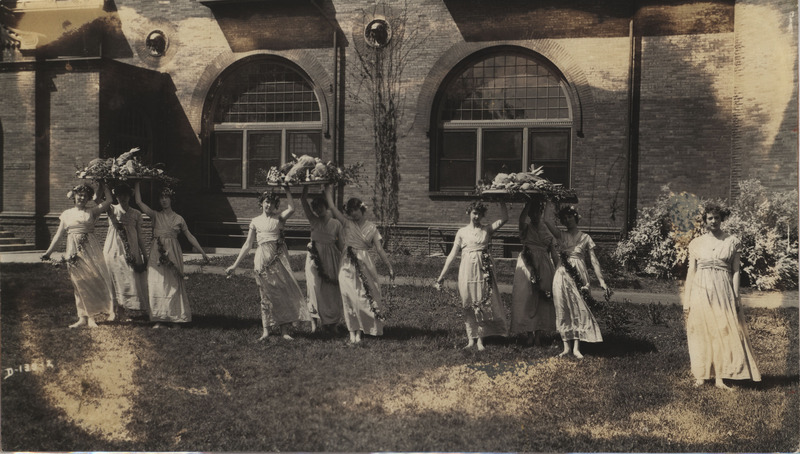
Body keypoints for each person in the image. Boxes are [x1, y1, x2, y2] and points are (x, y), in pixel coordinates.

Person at [683, 203, 761, 390]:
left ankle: (720, 377)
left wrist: (735, 297)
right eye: (710, 218)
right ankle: (701, 375)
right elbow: (691, 272)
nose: (714, 221)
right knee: (701, 331)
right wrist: (688, 299)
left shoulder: (731, 241)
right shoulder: (696, 243)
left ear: (721, 219)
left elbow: (735, 272)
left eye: (717, 218)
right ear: (704, 220)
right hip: (701, 290)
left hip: (722, 290)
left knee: (722, 331)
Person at [226, 187, 311, 341]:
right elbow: (248, 244)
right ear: (261, 203)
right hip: (261, 260)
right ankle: (266, 330)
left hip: (278, 260)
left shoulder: (279, 218)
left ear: (275, 205)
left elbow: (292, 208)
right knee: (265, 295)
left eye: (272, 203)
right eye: (266, 202)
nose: (269, 205)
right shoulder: (255, 221)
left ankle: (284, 330)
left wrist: (287, 189)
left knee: (281, 293)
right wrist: (235, 265)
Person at [323, 185, 394, 344]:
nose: (352, 213)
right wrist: (327, 190)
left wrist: (389, 267)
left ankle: (361, 330)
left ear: (362, 210)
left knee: (362, 297)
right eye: (350, 210)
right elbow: (333, 207)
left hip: (364, 263)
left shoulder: (372, 228)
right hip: (347, 263)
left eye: (355, 209)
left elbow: (380, 250)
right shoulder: (347, 223)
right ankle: (352, 332)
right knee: (348, 297)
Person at [435, 200, 509, 351]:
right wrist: (441, 276)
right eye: (474, 213)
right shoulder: (462, 232)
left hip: (484, 269)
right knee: (468, 301)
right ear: (469, 212)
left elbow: (505, 218)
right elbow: (452, 255)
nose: (477, 217)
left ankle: (481, 339)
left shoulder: (487, 229)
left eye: (480, 214)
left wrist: (501, 200)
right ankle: (471, 338)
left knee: (481, 301)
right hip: (467, 270)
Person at [41, 182, 116, 328]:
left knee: (91, 280)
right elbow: (58, 235)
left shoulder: (91, 212)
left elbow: (109, 201)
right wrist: (48, 252)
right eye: (79, 195)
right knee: (78, 282)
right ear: (74, 196)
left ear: (88, 198)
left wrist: (105, 180)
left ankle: (92, 317)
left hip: (90, 248)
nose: (81, 198)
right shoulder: (67, 214)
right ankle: (82, 317)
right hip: (73, 250)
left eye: (84, 195)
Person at [134, 181, 209, 328]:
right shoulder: (155, 215)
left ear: (171, 200)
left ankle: (176, 318)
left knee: (173, 283)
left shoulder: (179, 219)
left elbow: (190, 236)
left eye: (166, 197)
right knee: (157, 283)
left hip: (173, 252)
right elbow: (138, 201)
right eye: (161, 197)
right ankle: (159, 318)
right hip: (157, 253)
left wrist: (202, 252)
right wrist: (137, 181)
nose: (163, 200)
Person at [544, 203, 606, 359]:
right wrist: (549, 201)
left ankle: (577, 347)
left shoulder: (585, 237)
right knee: (562, 305)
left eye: (570, 216)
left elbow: (594, 260)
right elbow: (546, 220)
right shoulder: (561, 235)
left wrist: (601, 281)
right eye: (564, 218)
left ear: (576, 217)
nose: (567, 220)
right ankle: (566, 347)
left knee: (577, 307)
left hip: (578, 272)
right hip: (561, 273)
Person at [511, 197, 559, 346]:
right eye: (532, 213)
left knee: (542, 298)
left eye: (537, 212)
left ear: (541, 212)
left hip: (544, 264)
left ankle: (538, 334)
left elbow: (553, 252)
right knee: (527, 298)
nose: (535, 216)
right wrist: (529, 202)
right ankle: (529, 333)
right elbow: (521, 220)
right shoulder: (526, 228)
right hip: (528, 263)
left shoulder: (547, 229)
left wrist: (559, 269)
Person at [300, 186, 344, 333]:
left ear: (326, 206)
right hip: (314, 259)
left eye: (320, 207)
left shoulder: (336, 224)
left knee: (330, 291)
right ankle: (314, 324)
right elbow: (303, 201)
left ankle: (331, 323)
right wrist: (305, 187)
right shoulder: (313, 220)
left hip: (331, 259)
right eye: (315, 208)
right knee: (313, 288)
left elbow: (341, 246)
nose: (318, 210)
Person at [103, 183, 148, 320]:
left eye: (125, 195)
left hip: (131, 249)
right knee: (113, 277)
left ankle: (123, 309)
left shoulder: (136, 214)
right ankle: (113, 310)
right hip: (113, 248)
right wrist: (103, 183)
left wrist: (145, 255)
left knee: (127, 278)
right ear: (115, 196)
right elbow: (98, 200)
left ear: (130, 196)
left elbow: (140, 236)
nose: (122, 198)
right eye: (119, 195)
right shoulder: (111, 209)